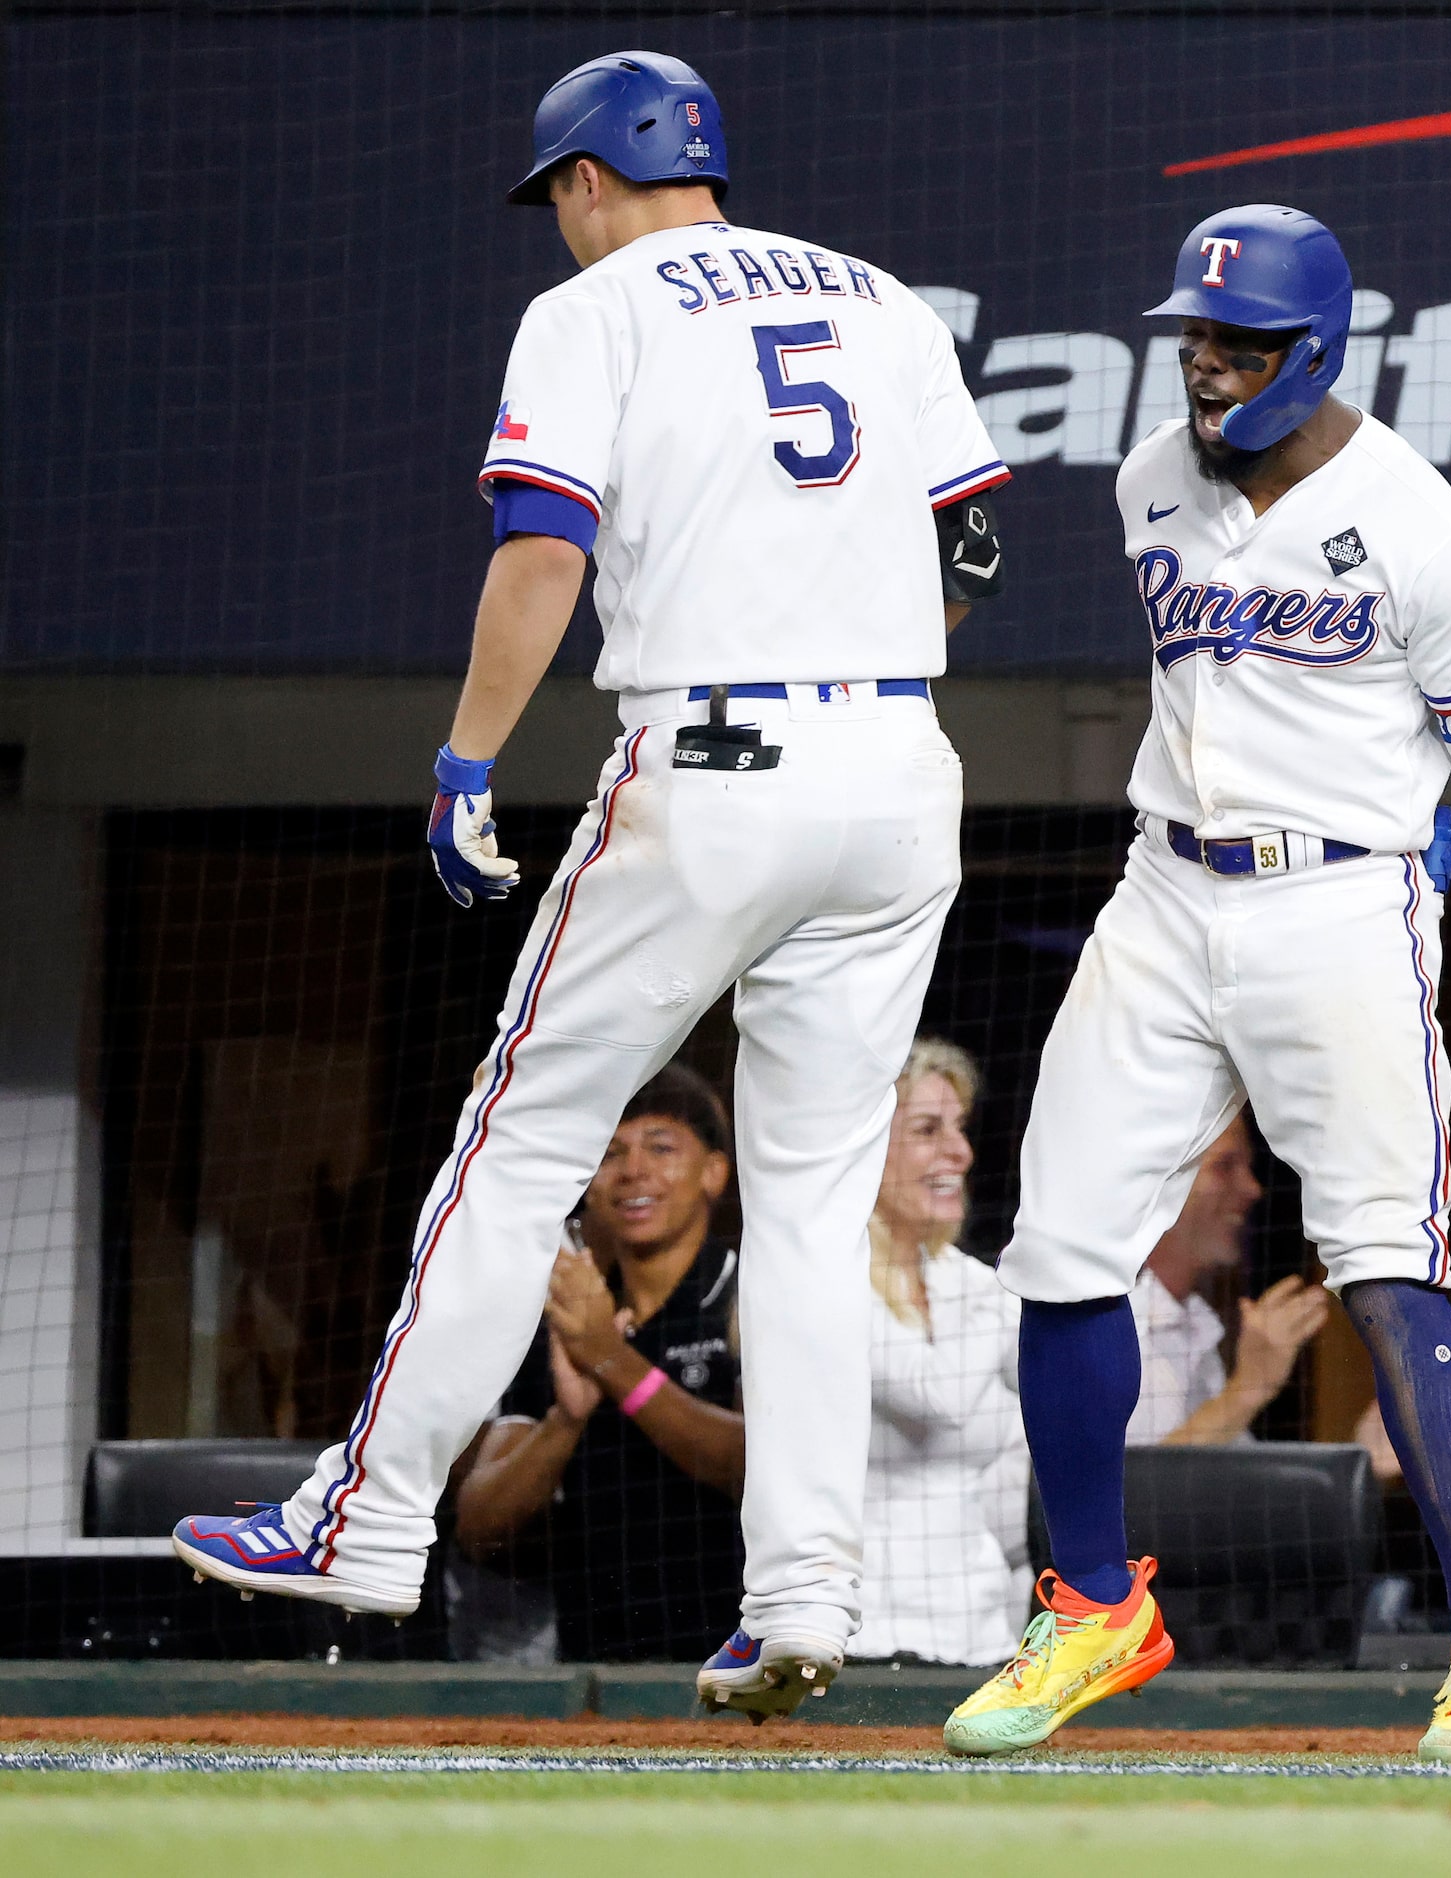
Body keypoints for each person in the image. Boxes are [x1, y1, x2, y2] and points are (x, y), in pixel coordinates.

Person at [171, 50, 1005, 1724]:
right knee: (817, 1198)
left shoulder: (600, 304)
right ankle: (801, 1595)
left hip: (714, 764)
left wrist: (469, 755)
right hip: (902, 774)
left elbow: (543, 549)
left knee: (519, 1140)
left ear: (584, 177)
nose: (556, 219)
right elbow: (970, 547)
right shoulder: (882, 298)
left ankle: (367, 1515)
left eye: (555, 192)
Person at [945, 206, 1451, 1766]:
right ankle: (1095, 1605)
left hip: (1342, 905)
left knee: (1385, 1269)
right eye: (1191, 339)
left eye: (1235, 346)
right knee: (1059, 1248)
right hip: (1163, 887)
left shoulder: (1432, 528)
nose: (1206, 369)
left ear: (1316, 353)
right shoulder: (1147, 476)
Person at [452, 1066, 749, 1662]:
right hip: (590, 1680)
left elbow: (758, 1466)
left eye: (661, 1147)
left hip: (735, 1671)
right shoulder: (568, 1321)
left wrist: (612, 1363)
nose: (633, 1170)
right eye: (611, 1152)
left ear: (714, 1172)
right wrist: (567, 1418)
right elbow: (480, 1526)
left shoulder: (749, 1298)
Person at [851, 1038, 1031, 1668]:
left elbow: (1057, 1398)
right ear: (866, 1146)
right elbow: (941, 1396)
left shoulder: (971, 1285)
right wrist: (1032, 1259)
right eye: (928, 1130)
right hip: (861, 1635)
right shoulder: (825, 1282)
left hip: (986, 1637)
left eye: (958, 1128)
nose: (961, 1151)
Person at [1127, 1116, 1333, 1446]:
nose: (1253, 1188)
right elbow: (1123, 1492)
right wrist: (1248, 1388)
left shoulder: (1195, 1327)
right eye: (1225, 1165)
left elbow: (1233, 1484)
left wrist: (1366, 1463)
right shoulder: (1086, 1316)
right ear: (1162, 1183)